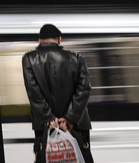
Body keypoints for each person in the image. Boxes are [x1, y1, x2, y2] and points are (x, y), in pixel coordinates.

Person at [22, 24, 93, 163]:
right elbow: (84, 89)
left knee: (48, 158)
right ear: (59, 39)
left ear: (39, 40)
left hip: (45, 125)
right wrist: (69, 118)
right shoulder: (77, 58)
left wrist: (49, 118)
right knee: (79, 157)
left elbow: (33, 92)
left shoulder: (28, 59)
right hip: (76, 125)